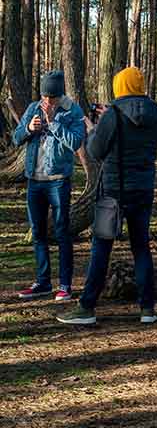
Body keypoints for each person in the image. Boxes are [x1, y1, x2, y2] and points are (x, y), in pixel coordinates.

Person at [59, 66, 157, 326]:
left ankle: (86, 308)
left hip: (114, 191)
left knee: (101, 249)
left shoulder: (113, 115)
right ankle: (147, 309)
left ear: (120, 87)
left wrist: (95, 127)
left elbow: (95, 151)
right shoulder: (155, 114)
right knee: (141, 248)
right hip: (143, 189)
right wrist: (111, 119)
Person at [13, 71, 85, 302]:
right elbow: (16, 137)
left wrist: (53, 123)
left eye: (50, 98)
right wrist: (28, 130)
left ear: (59, 95)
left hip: (58, 180)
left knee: (62, 232)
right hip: (34, 180)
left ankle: (65, 285)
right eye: (43, 97)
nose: (46, 102)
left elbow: (75, 142)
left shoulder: (72, 110)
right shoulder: (33, 108)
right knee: (38, 233)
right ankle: (42, 282)